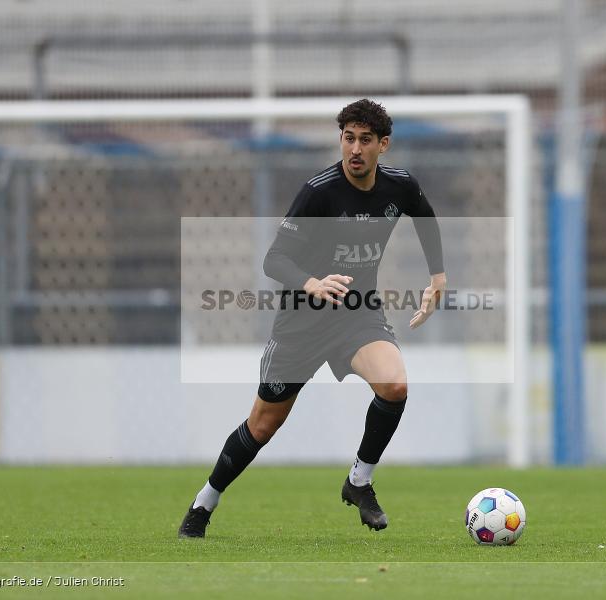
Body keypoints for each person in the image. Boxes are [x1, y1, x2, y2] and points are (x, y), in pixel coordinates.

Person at [179, 98, 445, 537]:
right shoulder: (320, 192)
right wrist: (313, 284)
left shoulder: (399, 186)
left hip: (357, 314)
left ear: (384, 145)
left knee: (395, 385)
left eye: (365, 140)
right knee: (263, 425)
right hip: (302, 321)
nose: (355, 149)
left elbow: (425, 216)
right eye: (348, 138)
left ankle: (359, 482)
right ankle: (204, 502)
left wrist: (438, 276)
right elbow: (274, 259)